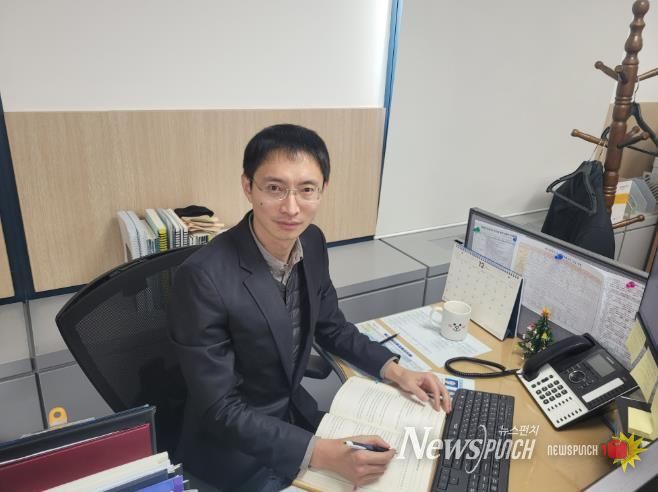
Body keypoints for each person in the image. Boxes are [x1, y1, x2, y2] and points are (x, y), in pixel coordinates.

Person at [169, 124, 451, 491]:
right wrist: (321, 453)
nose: (291, 208)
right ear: (248, 186)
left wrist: (396, 372)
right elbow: (219, 408)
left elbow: (331, 326)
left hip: (292, 416)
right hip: (233, 450)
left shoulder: (312, 241)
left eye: (306, 190)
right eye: (275, 188)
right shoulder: (202, 277)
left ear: (322, 190)